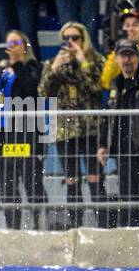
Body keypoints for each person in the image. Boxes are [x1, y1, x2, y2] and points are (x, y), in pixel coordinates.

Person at [0, 29, 45, 228]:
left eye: (16, 43)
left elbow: (33, 91)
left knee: (32, 183)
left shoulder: (33, 66)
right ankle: (13, 227)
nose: (10, 47)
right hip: (2, 135)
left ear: (24, 46)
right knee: (7, 186)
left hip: (26, 133)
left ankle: (40, 225)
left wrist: (18, 65)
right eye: (8, 44)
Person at [39, 22, 107, 227]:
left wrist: (83, 61)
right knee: (71, 180)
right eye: (66, 38)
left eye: (75, 38)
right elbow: (43, 93)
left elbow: (98, 87)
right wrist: (54, 68)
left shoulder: (95, 60)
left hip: (90, 129)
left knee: (95, 179)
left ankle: (103, 228)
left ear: (84, 39)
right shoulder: (53, 62)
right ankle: (76, 228)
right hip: (65, 131)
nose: (70, 42)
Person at [101, 39, 139, 228]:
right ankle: (127, 239)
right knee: (126, 198)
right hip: (123, 150)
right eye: (123, 55)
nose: (127, 60)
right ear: (117, 59)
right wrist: (104, 144)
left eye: (131, 55)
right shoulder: (115, 84)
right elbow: (107, 118)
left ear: (138, 58)